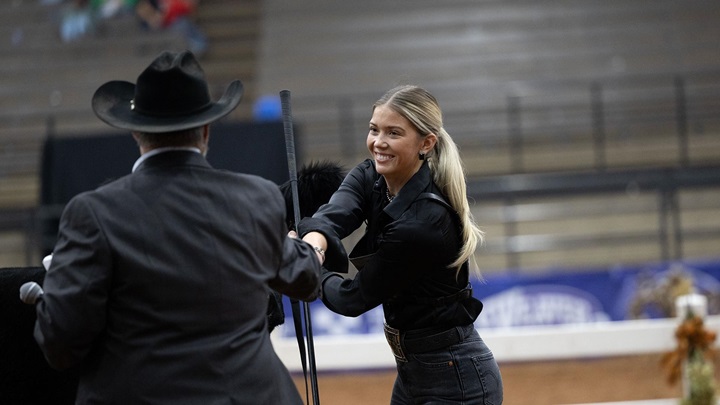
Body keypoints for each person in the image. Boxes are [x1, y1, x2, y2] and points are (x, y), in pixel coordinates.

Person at [32, 50, 321, 404]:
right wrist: (314, 240)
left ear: (136, 132)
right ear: (205, 129)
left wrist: (50, 295)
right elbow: (304, 278)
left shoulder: (92, 213)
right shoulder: (257, 198)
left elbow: (61, 343)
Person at [299, 85, 504, 404]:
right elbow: (336, 213)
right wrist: (313, 243)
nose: (378, 142)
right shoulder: (370, 175)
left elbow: (352, 299)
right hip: (415, 373)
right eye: (374, 129)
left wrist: (309, 268)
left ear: (426, 143)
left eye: (393, 133)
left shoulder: (423, 224)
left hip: (457, 382)